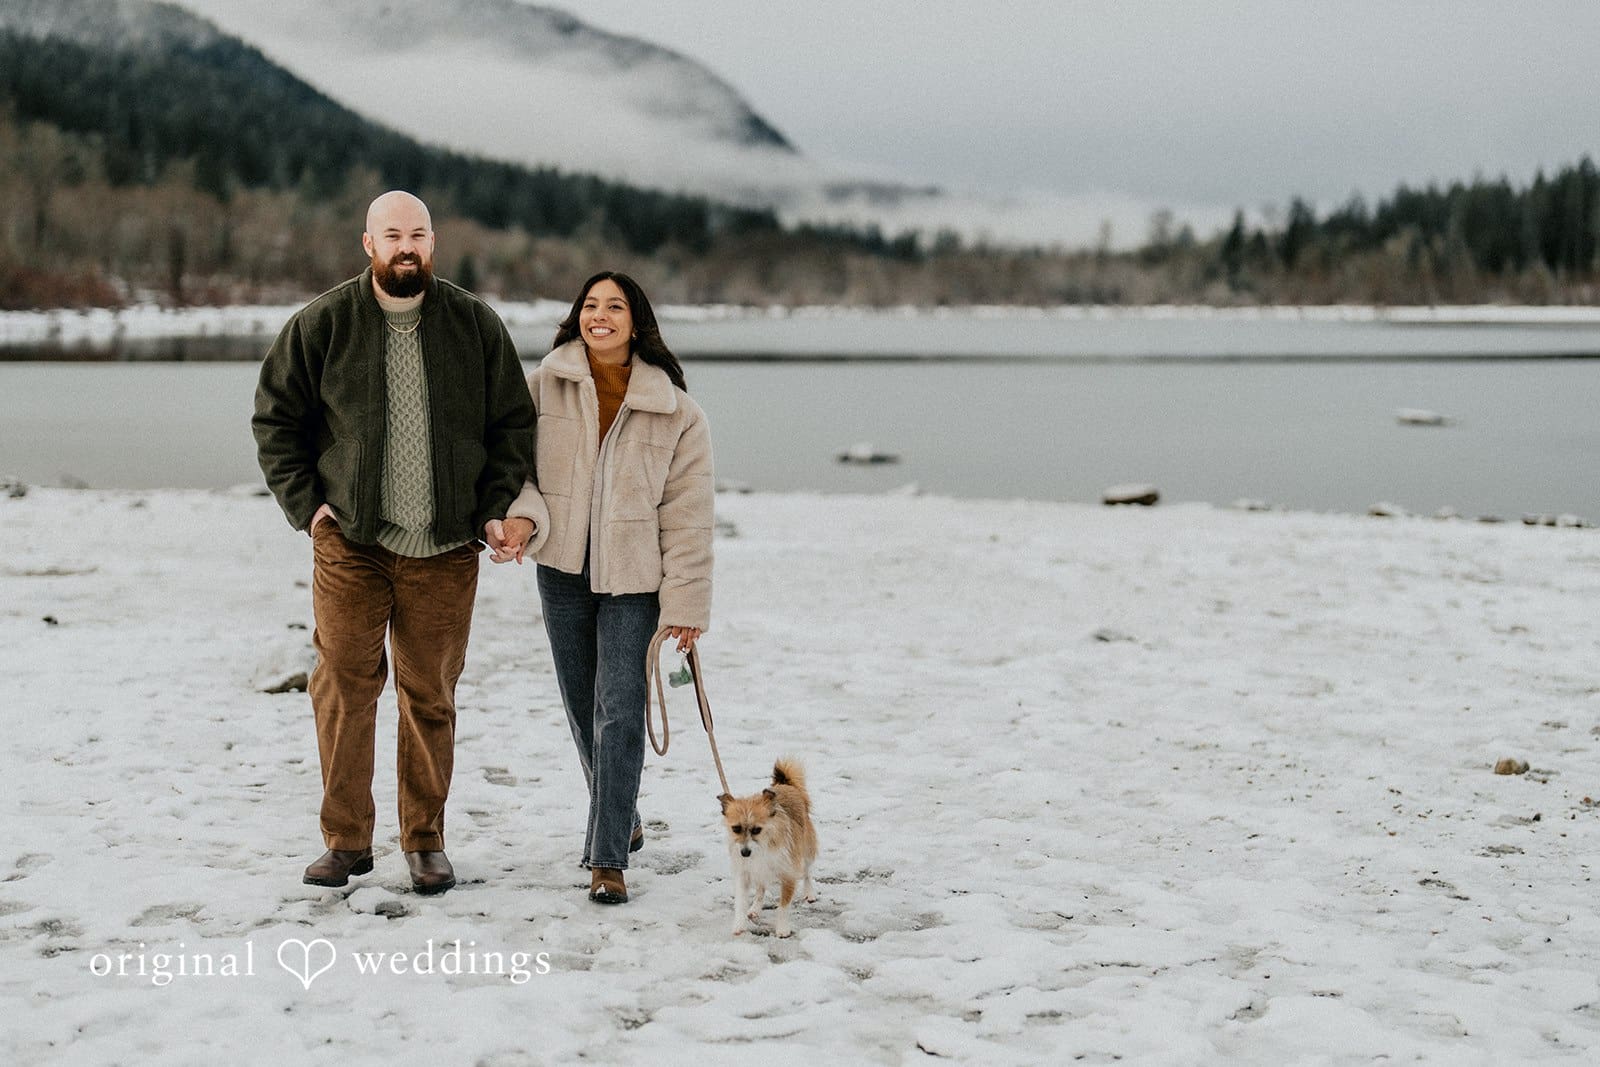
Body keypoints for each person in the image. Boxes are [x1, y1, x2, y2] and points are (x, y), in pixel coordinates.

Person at [253, 190, 536, 895]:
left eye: (417, 234)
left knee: (429, 694)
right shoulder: (323, 323)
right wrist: (309, 509)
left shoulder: (474, 323)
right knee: (343, 688)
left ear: (432, 243)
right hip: (351, 541)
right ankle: (346, 841)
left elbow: (512, 425)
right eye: (392, 235)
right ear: (368, 244)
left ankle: (424, 840)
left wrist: (492, 509)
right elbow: (275, 420)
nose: (405, 246)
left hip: (444, 547)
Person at [492, 270, 714, 905]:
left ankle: (607, 857)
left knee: (619, 707)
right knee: (581, 705)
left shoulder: (676, 410)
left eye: (615, 306)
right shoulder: (543, 387)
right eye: (590, 305)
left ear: (636, 322)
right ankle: (623, 813)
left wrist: (686, 604)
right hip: (561, 571)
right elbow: (515, 470)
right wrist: (522, 518)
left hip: (635, 580)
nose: (600, 316)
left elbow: (688, 516)